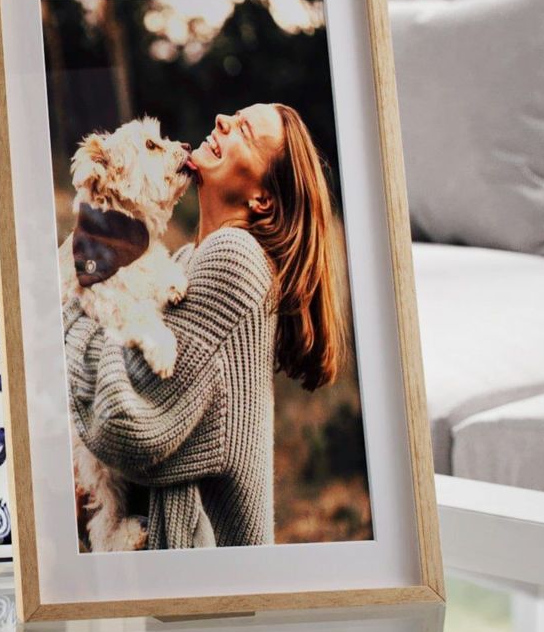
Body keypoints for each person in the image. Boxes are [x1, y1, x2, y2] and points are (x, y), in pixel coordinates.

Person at [64, 102, 348, 550]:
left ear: (261, 199)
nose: (220, 121)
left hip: (204, 591)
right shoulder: (180, 264)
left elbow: (123, 423)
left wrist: (67, 315)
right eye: (231, 116)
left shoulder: (234, 259)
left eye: (244, 131)